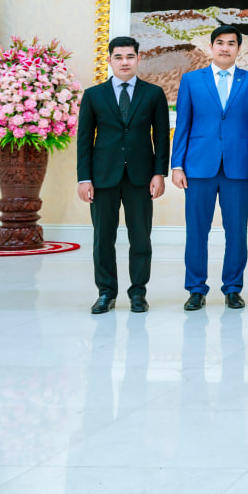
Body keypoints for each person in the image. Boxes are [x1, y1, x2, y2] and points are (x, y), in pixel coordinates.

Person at [171, 26, 248, 311]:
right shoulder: (191, 80)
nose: (225, 48)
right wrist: (177, 164)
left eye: (231, 44)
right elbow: (183, 124)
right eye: (220, 43)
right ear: (211, 47)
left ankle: (233, 288)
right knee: (196, 231)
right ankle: (196, 288)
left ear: (239, 49)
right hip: (198, 166)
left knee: (236, 231)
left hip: (239, 167)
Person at [76, 36, 170, 314]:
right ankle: (106, 293)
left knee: (140, 237)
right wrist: (84, 178)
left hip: (141, 177)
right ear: (109, 60)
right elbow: (84, 140)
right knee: (102, 238)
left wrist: (159, 173)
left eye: (130, 56)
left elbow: (161, 137)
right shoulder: (94, 95)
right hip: (103, 176)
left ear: (139, 59)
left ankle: (138, 293)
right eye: (118, 57)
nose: (124, 62)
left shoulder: (153, 94)